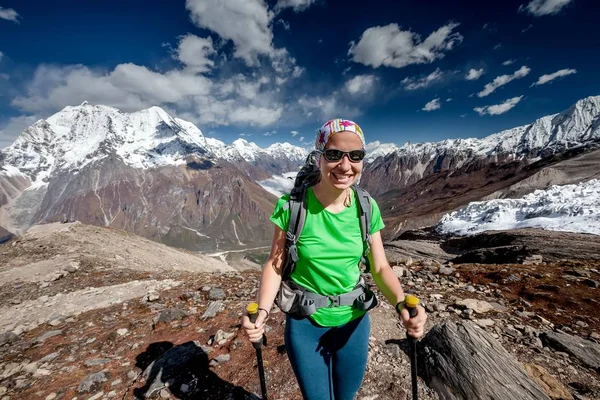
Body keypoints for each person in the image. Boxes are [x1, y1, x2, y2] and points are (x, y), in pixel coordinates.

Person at [242, 118, 427, 400]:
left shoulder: (366, 207)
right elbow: (275, 264)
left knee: (346, 395)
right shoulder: (292, 208)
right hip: (305, 322)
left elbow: (379, 266)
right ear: (319, 158)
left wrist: (401, 302)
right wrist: (264, 313)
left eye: (355, 156)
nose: (345, 165)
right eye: (334, 155)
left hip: (353, 321)